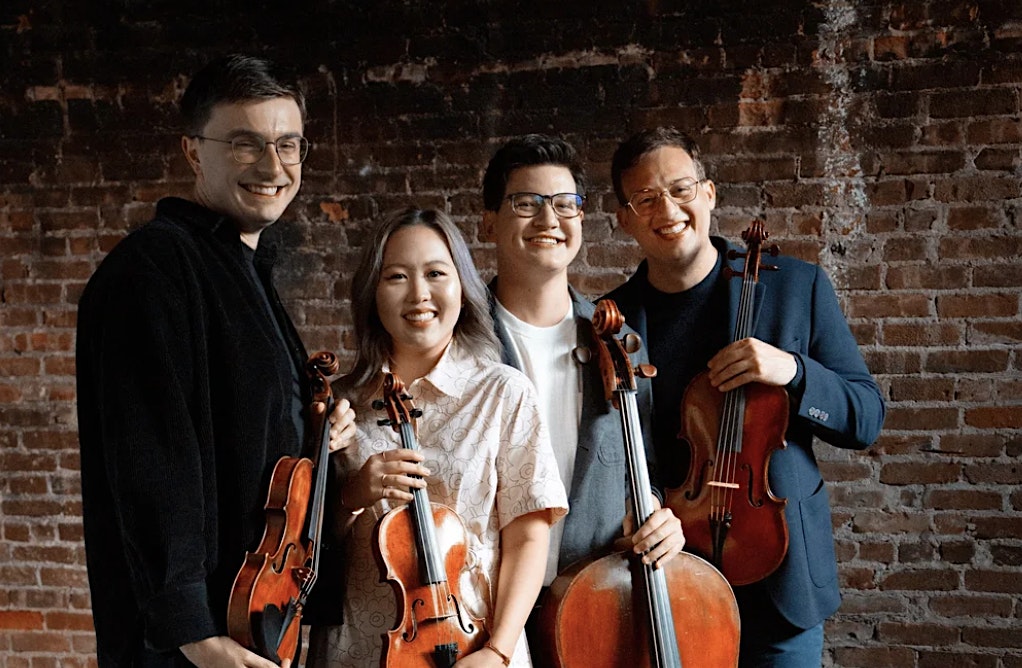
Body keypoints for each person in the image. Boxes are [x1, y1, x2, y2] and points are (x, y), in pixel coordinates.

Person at [76, 54, 355, 668]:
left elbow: (249, 436)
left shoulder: (243, 269)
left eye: (288, 144)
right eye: (246, 144)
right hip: (195, 645)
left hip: (252, 619)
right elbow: (151, 460)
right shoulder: (154, 270)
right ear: (193, 151)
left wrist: (318, 427)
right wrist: (194, 633)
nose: (273, 167)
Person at [605, 126, 886, 667]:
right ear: (625, 219)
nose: (668, 209)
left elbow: (865, 417)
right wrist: (638, 507)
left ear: (708, 194)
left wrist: (794, 372)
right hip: (672, 580)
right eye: (646, 198)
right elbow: (607, 455)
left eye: (681, 189)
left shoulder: (795, 287)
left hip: (782, 581)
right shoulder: (612, 322)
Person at [306, 207, 568, 668]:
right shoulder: (339, 405)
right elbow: (303, 544)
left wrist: (499, 651)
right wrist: (351, 496)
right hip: (362, 650)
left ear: (462, 288)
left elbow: (529, 538)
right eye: (396, 277)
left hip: (478, 649)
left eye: (435, 273)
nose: (419, 294)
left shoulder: (504, 393)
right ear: (373, 294)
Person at [480, 135, 686, 649]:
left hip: (590, 613)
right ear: (488, 223)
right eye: (525, 203)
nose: (548, 219)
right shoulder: (457, 342)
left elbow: (642, 474)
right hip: (478, 611)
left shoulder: (619, 343)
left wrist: (657, 517)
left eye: (565, 203)